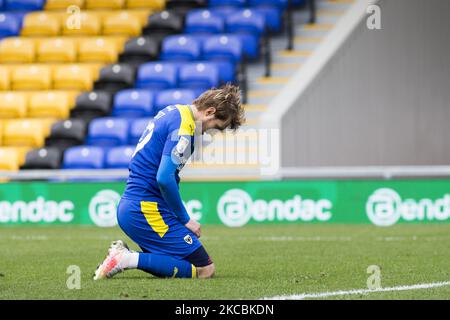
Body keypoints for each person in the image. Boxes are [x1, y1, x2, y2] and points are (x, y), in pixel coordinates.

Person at [94, 84, 245, 280]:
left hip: (138, 206)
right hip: (145, 209)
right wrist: (185, 219)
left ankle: (127, 257)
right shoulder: (185, 128)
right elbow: (164, 178)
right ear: (209, 111)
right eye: (215, 128)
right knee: (204, 269)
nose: (209, 134)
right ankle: (125, 259)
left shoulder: (174, 111)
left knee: (178, 261)